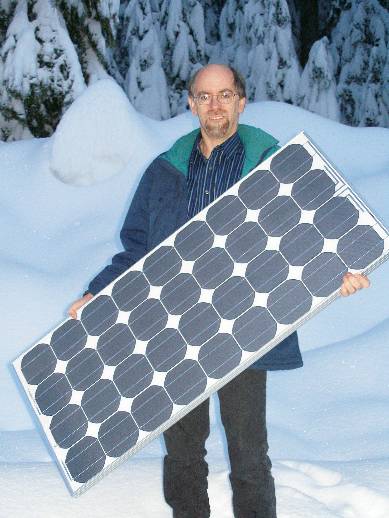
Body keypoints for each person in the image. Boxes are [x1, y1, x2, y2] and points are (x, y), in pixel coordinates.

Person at [69, 64, 370, 517]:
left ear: (241, 102)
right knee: (184, 457)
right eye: (205, 96)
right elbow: (137, 248)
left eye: (225, 95)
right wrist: (98, 293)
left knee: (249, 455)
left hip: (246, 326)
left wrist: (338, 273)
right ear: (191, 103)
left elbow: (306, 236)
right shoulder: (164, 171)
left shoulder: (273, 163)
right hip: (175, 329)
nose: (215, 105)